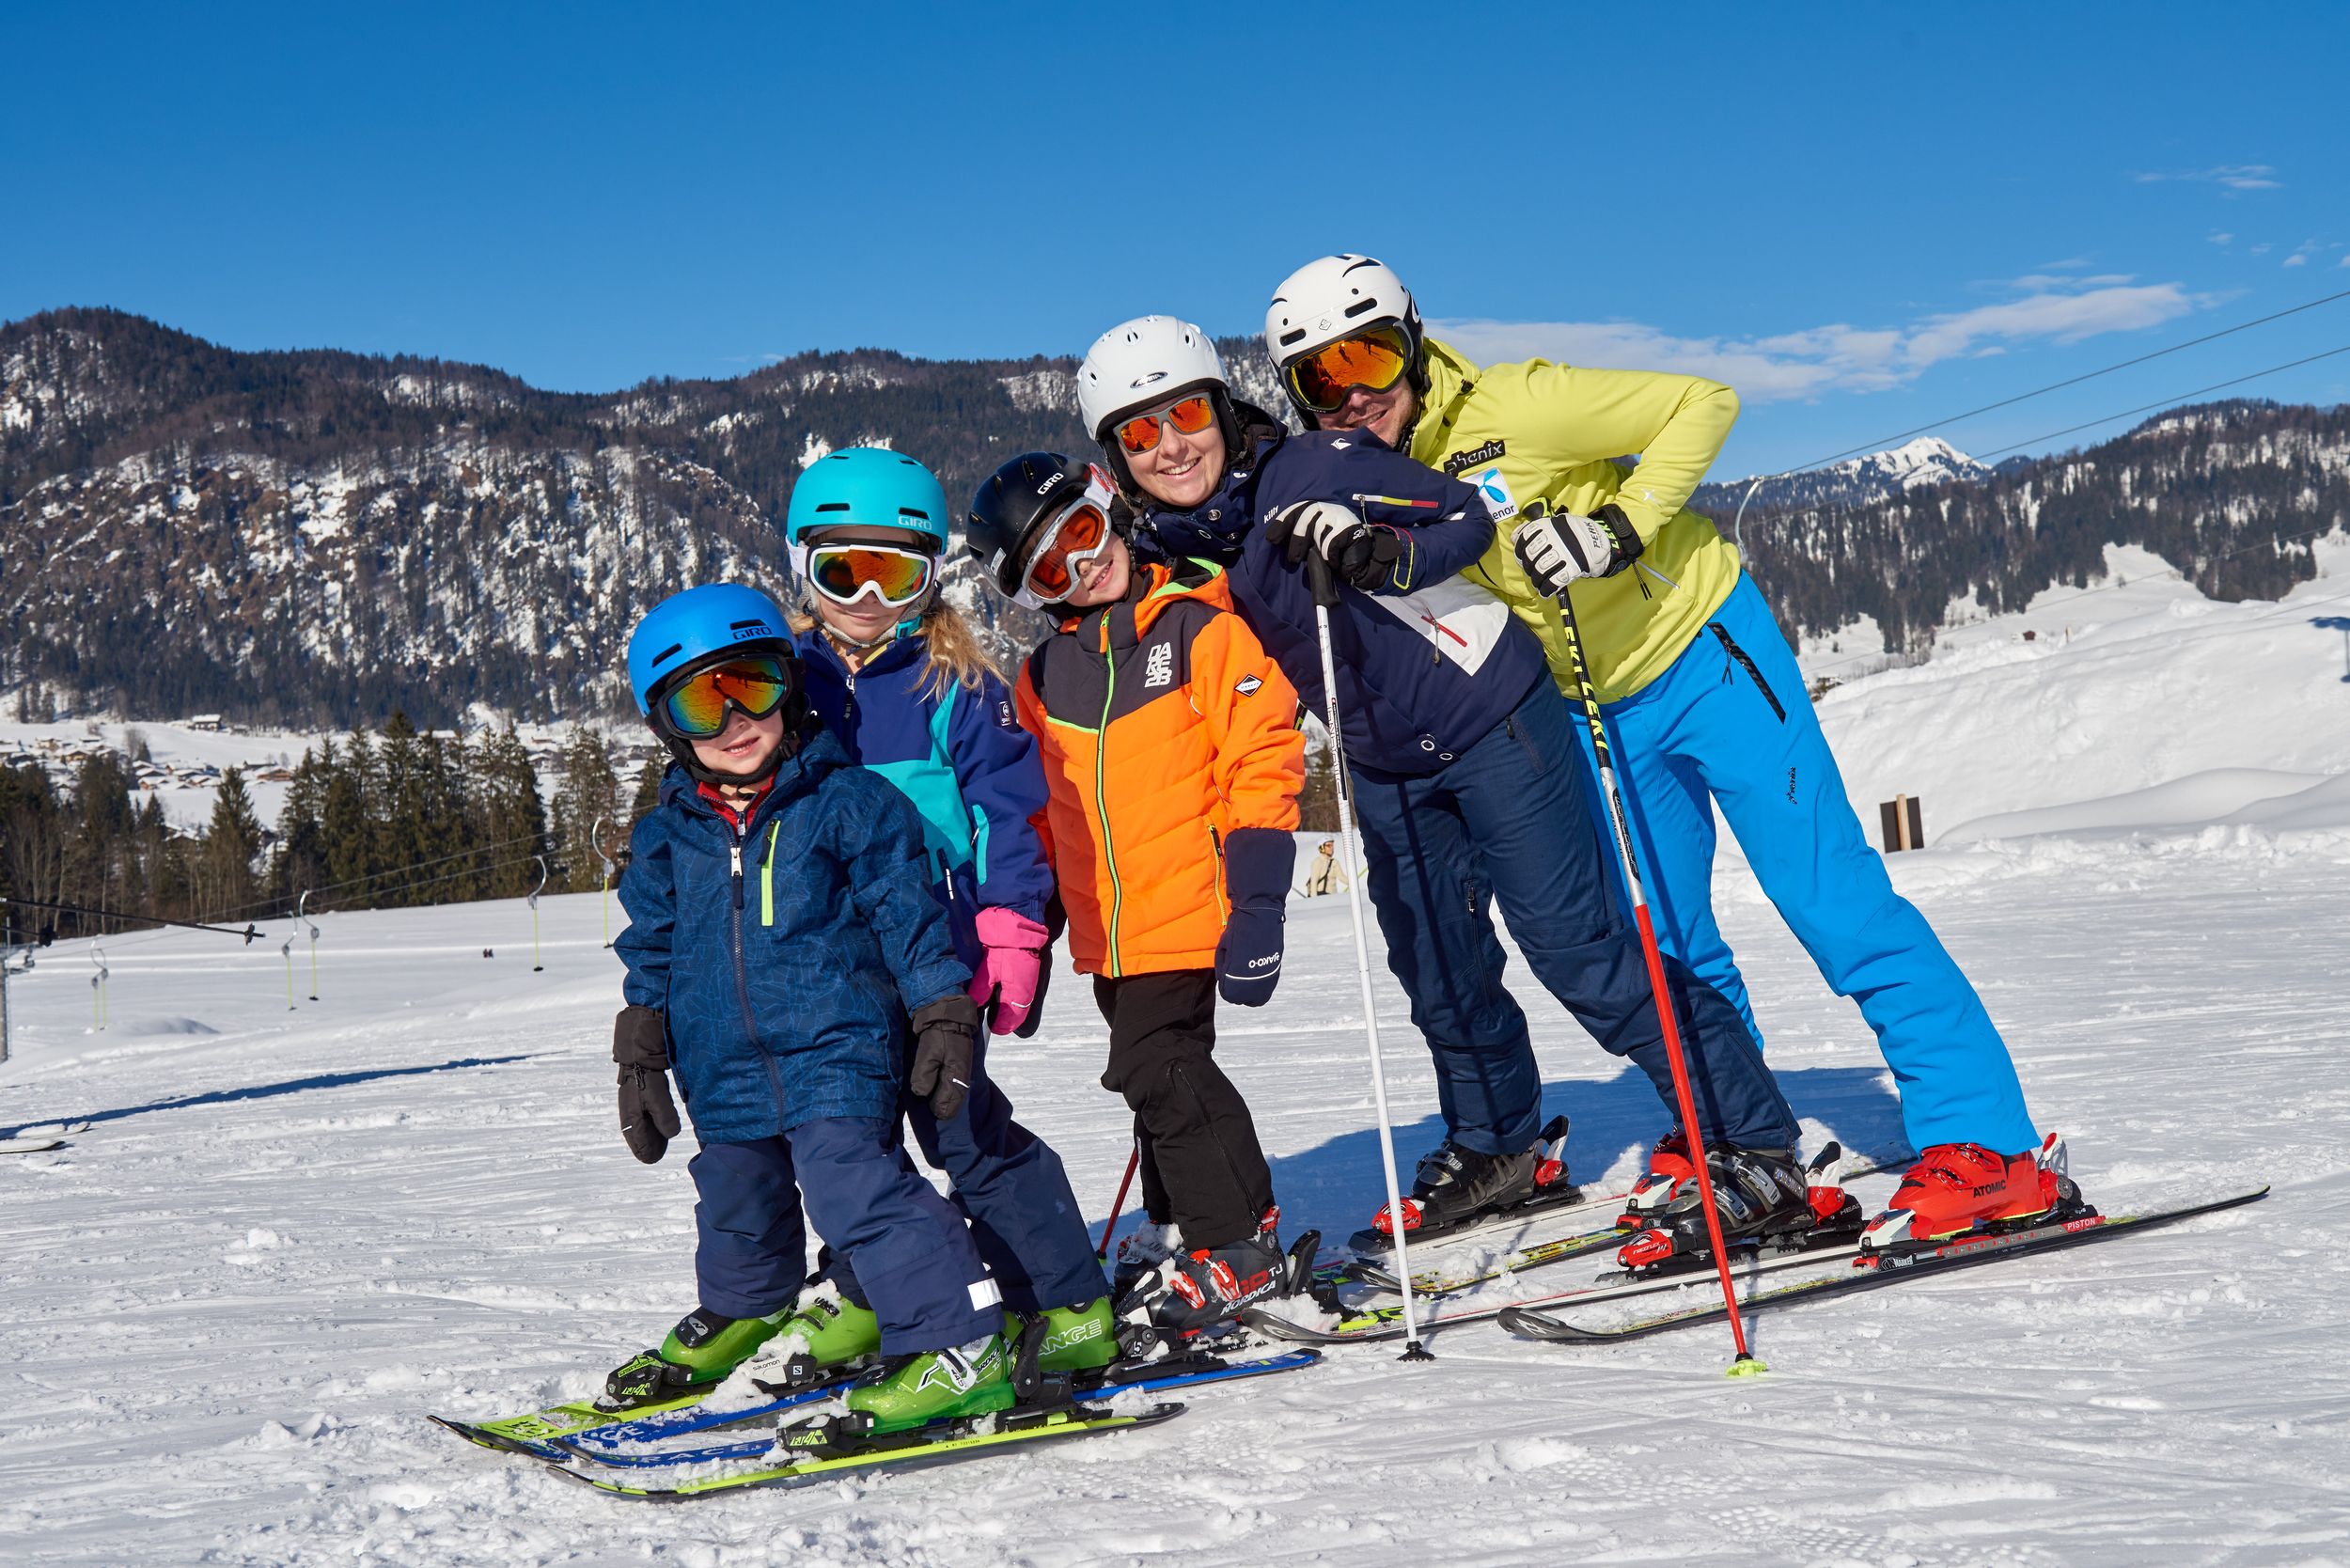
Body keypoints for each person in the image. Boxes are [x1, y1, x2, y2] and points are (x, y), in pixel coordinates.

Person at [1261, 254, 2064, 1247]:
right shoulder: (1366, 477)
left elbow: (1702, 401)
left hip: (1705, 658)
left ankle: (1986, 1147)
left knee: (1830, 899)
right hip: (1595, 710)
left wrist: (1622, 528)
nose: (1355, 391)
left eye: (1370, 354)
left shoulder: (1523, 405)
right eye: (1318, 376)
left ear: (1413, 342)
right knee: (1668, 937)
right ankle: (1735, 1143)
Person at [1080, 316, 1810, 1247]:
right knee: (1437, 969)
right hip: (1384, 763)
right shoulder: (1178, 557)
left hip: (1493, 718)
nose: (1170, 445)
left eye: (1183, 413)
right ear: (1116, 456)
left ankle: (1754, 1143)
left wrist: (1371, 547)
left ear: (1221, 409)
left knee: (1580, 951)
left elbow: (1461, 517)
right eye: (1139, 434)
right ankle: (1497, 1145)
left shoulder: (1309, 471)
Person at [693, 445, 1111, 1385]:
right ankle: (877, 1299)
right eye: (844, 570)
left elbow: (1010, 817)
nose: (869, 597)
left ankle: (1069, 1297)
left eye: (897, 573)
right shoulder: (780, 682)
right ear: (804, 567)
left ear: (930, 579)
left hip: (940, 966)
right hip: (828, 974)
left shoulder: (954, 685)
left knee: (965, 1134)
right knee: (852, 1150)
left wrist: (1012, 932)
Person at [603, 583, 1017, 1432]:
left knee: (855, 1188)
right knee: (734, 1191)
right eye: (700, 702)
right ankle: (748, 1307)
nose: (733, 721)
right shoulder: (663, 836)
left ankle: (960, 1347)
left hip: (836, 1047)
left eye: (748, 685)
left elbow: (909, 914)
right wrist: (641, 1046)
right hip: (718, 1060)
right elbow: (650, 943)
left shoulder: (851, 803)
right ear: (666, 726)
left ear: (787, 685)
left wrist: (943, 1009)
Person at [963, 449, 1308, 1340]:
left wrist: (1260, 896)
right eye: (1054, 566)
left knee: (1162, 1070)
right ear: (1034, 593)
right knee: (1151, 1082)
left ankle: (1241, 1242)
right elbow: (1041, 814)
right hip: (1109, 932)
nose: (1086, 564)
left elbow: (1262, 751)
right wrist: (1027, 929)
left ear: (1106, 506)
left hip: (1193, 904)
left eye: (1082, 533)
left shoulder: (1199, 629)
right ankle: (1180, 1226)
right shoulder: (1044, 680)